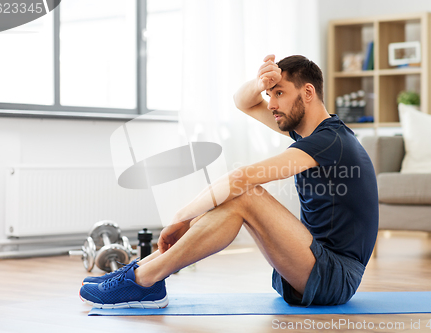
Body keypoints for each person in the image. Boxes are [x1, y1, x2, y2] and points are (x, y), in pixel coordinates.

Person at [79, 54, 379, 308]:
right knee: (237, 197)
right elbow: (243, 102)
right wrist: (260, 83)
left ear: (308, 93)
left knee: (245, 193)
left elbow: (241, 177)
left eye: (280, 93)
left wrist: (181, 218)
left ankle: (145, 280)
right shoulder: (312, 133)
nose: (271, 103)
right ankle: (141, 271)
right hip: (311, 266)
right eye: (270, 94)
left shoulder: (330, 141)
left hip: (334, 277)